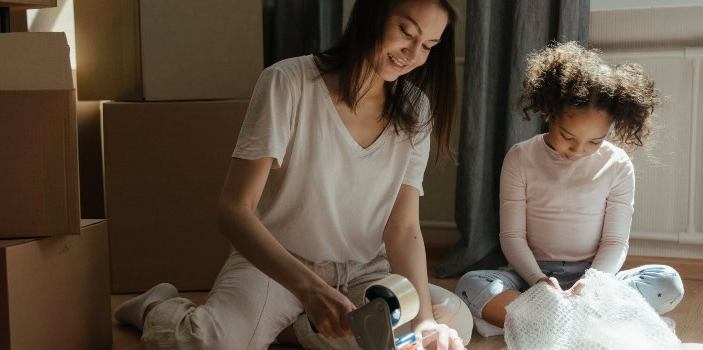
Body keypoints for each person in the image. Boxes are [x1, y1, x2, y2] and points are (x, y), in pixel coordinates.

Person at [114, 0, 473, 349]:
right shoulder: (288, 81)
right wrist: (310, 290)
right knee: (217, 343)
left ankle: (293, 328)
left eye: (428, 45)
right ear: (373, 13)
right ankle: (155, 306)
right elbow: (234, 208)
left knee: (451, 319)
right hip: (277, 265)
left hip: (363, 271)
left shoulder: (415, 109)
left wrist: (424, 319)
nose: (412, 54)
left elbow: (403, 228)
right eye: (406, 32)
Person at [455, 41, 685, 337]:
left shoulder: (617, 165)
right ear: (549, 113)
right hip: (532, 279)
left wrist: (591, 283)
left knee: (667, 282)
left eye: (594, 141)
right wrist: (538, 281)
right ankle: (588, 323)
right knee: (471, 285)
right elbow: (511, 236)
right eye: (567, 136)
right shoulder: (520, 158)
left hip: (595, 279)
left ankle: (546, 323)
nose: (578, 150)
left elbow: (615, 242)